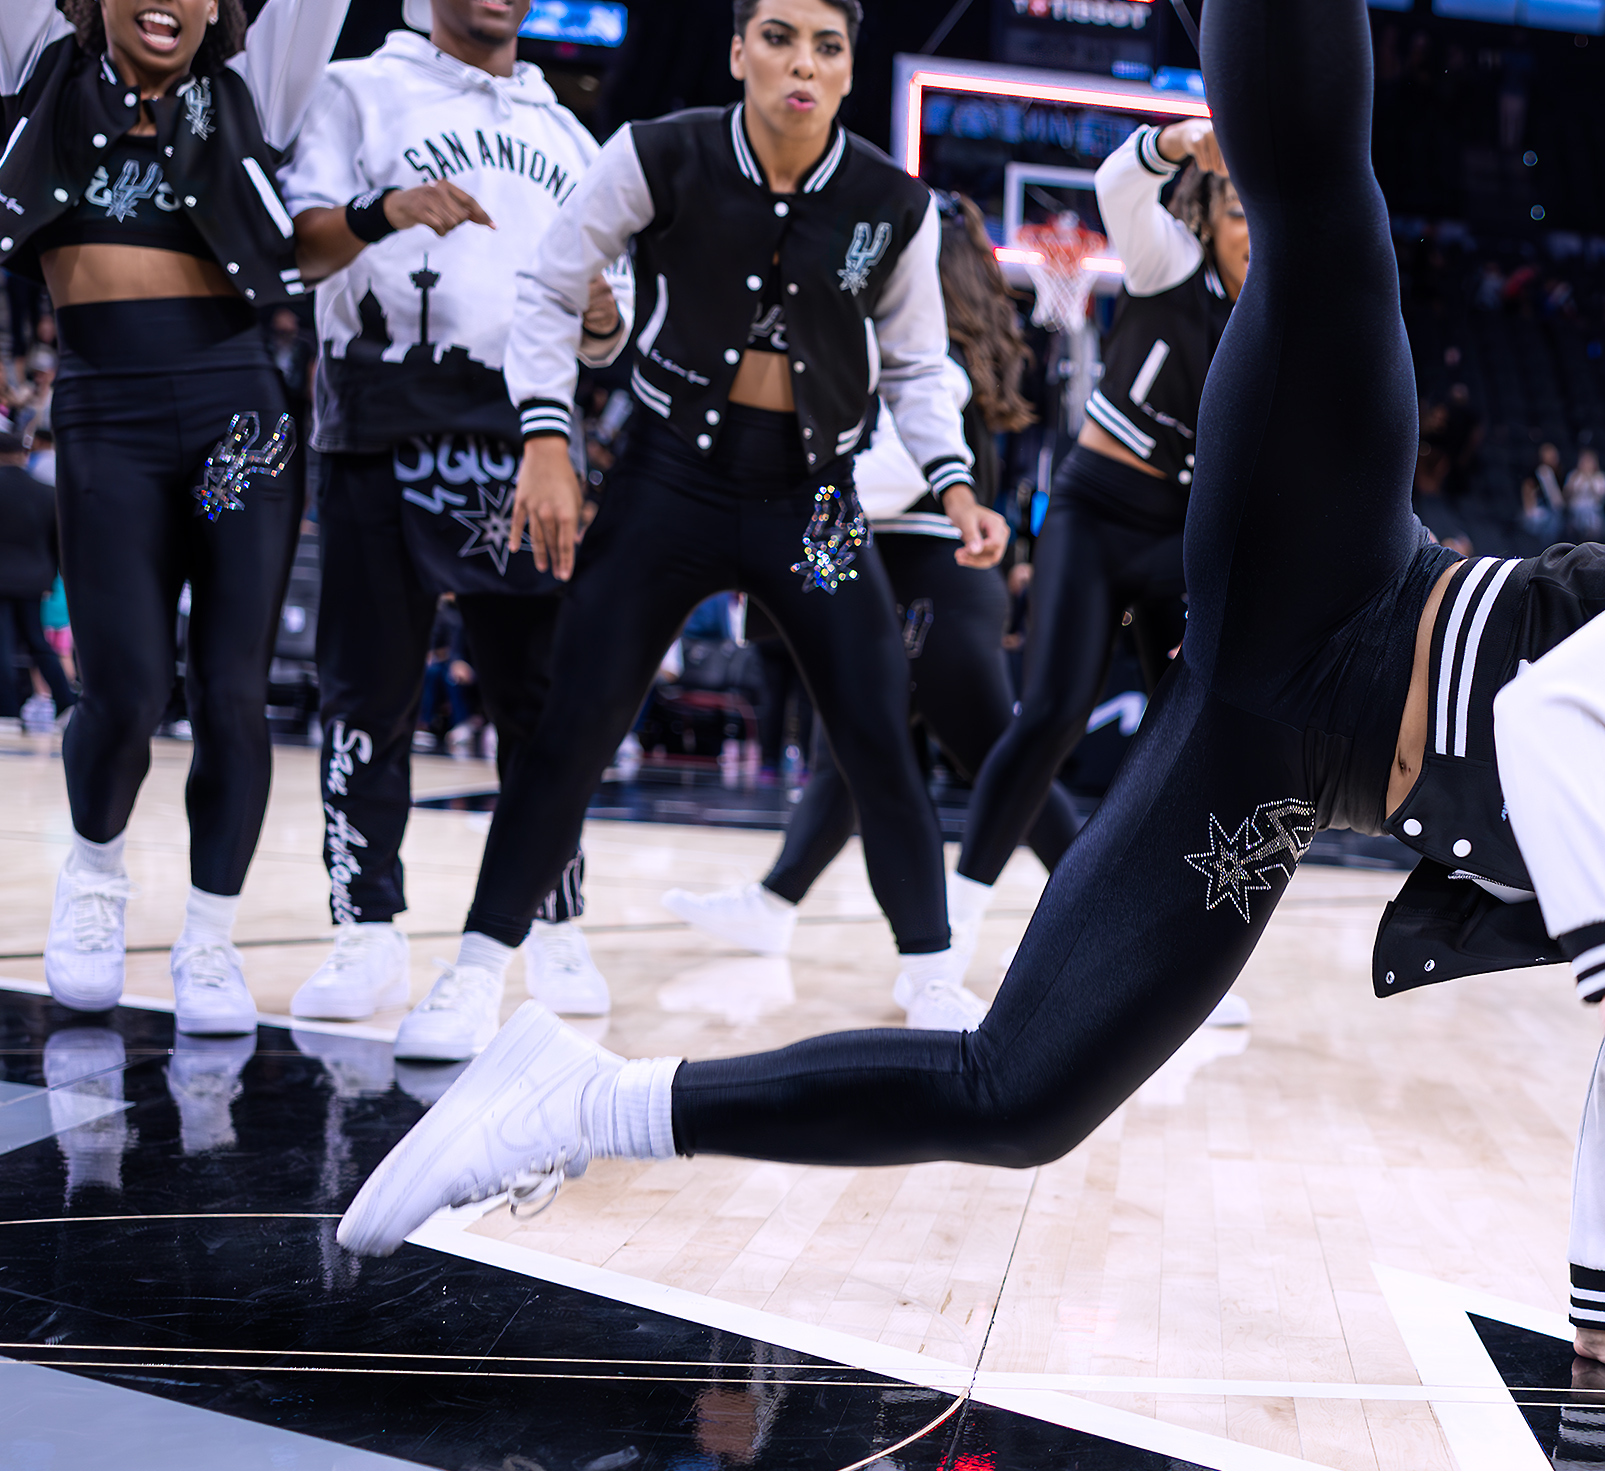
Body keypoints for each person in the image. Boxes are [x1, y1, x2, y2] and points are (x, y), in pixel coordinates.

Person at [337, 0, 1605, 1381]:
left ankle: (570, 1100)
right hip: (1334, 568)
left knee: (1019, 1101)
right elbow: (1553, 722)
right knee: (1327, 215)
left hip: (1274, 773)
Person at [386, 0, 1013, 1057]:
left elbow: (913, 367)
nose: (801, 64)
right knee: (573, 726)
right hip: (670, 478)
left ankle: (932, 977)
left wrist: (955, 489)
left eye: (826, 46)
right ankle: (475, 971)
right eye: (778, 37)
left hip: (815, 500)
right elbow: (549, 285)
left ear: (849, 70)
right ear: (737, 51)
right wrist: (547, 437)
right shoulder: (657, 154)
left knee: (875, 734)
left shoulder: (892, 203)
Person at [277, 0, 629, 1038]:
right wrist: (386, 211)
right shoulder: (355, 89)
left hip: (529, 432)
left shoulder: (570, 133)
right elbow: (297, 251)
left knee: (541, 697)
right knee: (366, 690)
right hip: (380, 416)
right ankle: (366, 927)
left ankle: (554, 916)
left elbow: (613, 323)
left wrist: (604, 316)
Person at [7, 0, 351, 1034]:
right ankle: (94, 879)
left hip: (236, 418)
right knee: (123, 688)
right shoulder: (40, 61)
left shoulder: (256, 82)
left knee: (231, 690)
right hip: (106, 415)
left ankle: (209, 939)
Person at [662, 191, 1082, 955]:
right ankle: (774, 902)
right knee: (847, 754)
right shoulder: (941, 351)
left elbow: (896, 468)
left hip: (933, 583)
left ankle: (1118, 917)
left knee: (1005, 766)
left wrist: (792, 511)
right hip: (919, 580)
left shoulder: (934, 362)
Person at [937, 115, 1247, 980]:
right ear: (1205, 217)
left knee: (1195, 750)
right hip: (1097, 513)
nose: (1252, 234)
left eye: (1263, 216)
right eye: (1237, 214)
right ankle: (950, 934)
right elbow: (1117, 185)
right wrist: (1179, 141)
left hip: (1185, 541)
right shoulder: (1169, 263)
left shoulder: (1281, 316)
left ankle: (1176, 960)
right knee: (1051, 716)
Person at [0, 429, 76, 733]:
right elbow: (59, 543)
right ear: (23, 454)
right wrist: (53, 578)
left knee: (2, 644)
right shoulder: (45, 492)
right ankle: (66, 703)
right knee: (38, 642)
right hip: (35, 579)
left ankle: (6, 710)